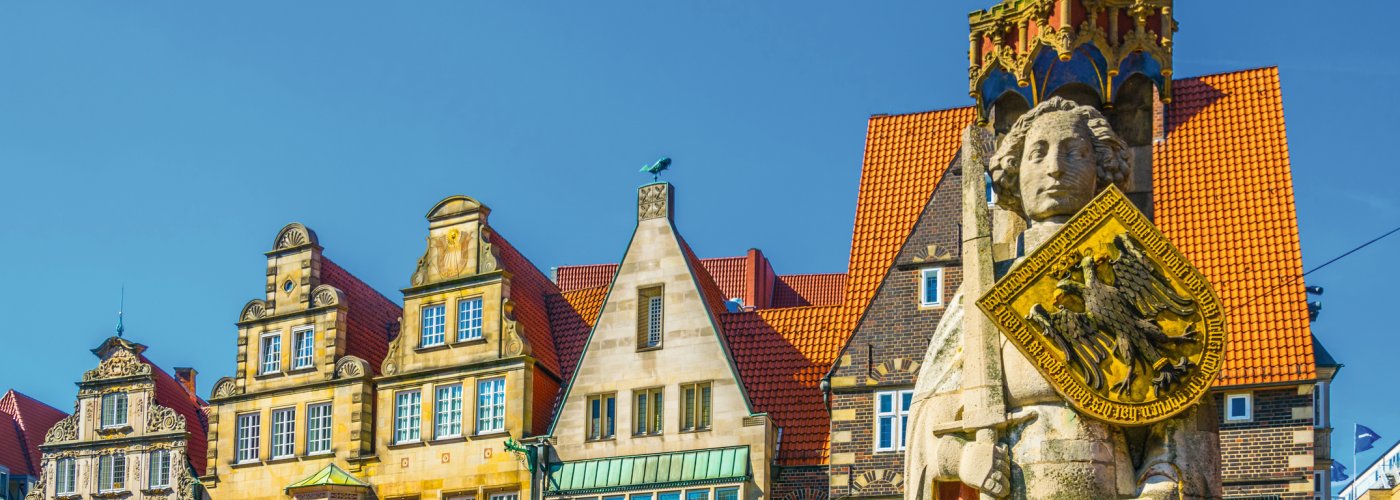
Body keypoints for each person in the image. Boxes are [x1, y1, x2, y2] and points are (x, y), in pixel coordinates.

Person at [904, 96, 1217, 499]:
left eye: (1075, 153)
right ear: (1015, 172)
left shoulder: (1132, 267)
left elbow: (1181, 402)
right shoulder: (986, 288)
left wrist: (1163, 482)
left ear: (1100, 168)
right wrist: (961, 458)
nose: (1055, 167)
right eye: (1038, 153)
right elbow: (930, 419)